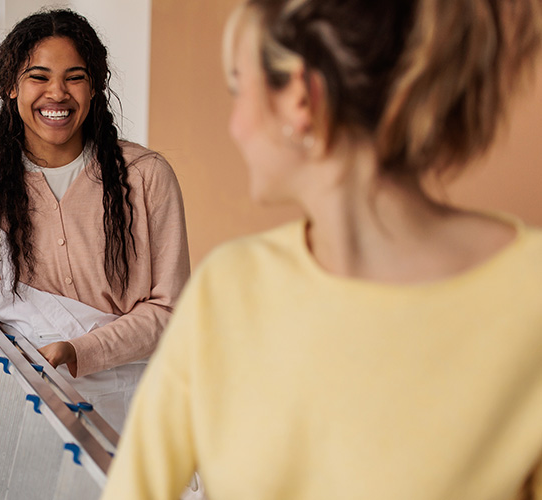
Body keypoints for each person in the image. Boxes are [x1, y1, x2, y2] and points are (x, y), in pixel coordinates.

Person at [102, 0, 542, 498]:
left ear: (300, 99)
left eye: (236, 88)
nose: (234, 125)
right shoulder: (229, 289)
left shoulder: (530, 298)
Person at [0, 8, 191, 500]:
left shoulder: (146, 178)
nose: (57, 94)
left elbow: (171, 310)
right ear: (11, 88)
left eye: (75, 77)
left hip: (137, 415)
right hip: (29, 421)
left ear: (95, 87)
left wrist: (78, 351)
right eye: (37, 77)